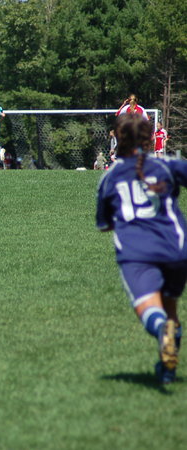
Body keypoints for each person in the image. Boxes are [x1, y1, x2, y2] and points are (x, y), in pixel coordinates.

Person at [96, 114, 185, 384]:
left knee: (152, 310)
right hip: (177, 247)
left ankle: (161, 329)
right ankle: (167, 370)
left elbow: (105, 224)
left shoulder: (110, 178)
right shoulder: (166, 165)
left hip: (137, 252)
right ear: (149, 138)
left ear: (116, 137)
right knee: (170, 308)